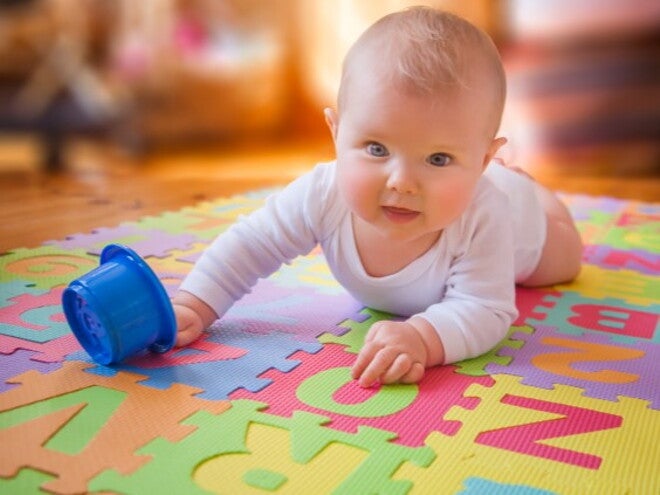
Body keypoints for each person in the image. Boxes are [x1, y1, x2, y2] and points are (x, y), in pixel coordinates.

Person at [171, 6, 583, 388]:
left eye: (438, 158)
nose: (402, 182)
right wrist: (196, 302)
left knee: (564, 261)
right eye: (377, 149)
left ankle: (533, 191)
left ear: (482, 160)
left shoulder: (485, 213)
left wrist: (422, 337)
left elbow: (485, 309)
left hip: (525, 225)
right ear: (336, 133)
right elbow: (252, 243)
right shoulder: (322, 193)